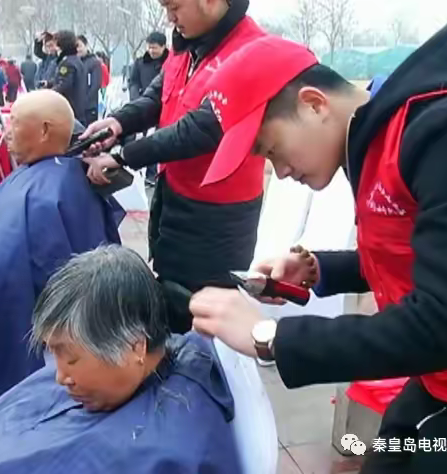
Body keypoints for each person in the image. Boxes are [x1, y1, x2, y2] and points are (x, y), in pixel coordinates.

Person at [190, 24, 447, 474]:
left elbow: (445, 320)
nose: (280, 172)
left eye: (271, 150)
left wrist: (270, 338)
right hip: (443, 380)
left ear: (313, 103)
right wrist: (317, 271)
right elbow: (430, 253)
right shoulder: (369, 141)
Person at [81, 0, 266, 334]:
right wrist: (118, 123)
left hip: (216, 215)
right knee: (169, 294)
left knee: (204, 315)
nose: (169, 17)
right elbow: (157, 98)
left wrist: (124, 156)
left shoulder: (251, 52)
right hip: (172, 196)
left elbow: (201, 129)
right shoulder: (186, 47)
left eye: (174, 6)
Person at [0, 245, 241, 474]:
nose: (60, 377)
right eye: (53, 353)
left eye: (71, 359)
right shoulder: (153, 358)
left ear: (136, 346)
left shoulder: (162, 455)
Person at [0, 90, 121, 396]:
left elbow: (67, 275)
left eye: (13, 124)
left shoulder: (54, 193)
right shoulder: (46, 178)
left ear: (44, 130)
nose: (6, 134)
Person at [129, 31, 169, 186]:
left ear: (163, 47)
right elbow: (133, 82)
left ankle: (153, 174)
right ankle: (139, 172)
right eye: (149, 47)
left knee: (158, 141)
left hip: (164, 108)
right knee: (142, 140)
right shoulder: (140, 63)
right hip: (144, 106)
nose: (152, 51)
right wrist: (136, 99)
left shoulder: (171, 62)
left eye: (155, 48)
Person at [49, 30, 87, 125]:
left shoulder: (67, 63)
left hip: (69, 110)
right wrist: (49, 83)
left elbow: (64, 85)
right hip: (79, 109)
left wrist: (48, 94)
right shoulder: (77, 61)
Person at [77, 35, 102, 126]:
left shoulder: (94, 63)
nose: (77, 49)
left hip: (89, 108)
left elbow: (95, 85)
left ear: (86, 45)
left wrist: (85, 102)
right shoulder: (75, 63)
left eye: (79, 46)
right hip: (76, 109)